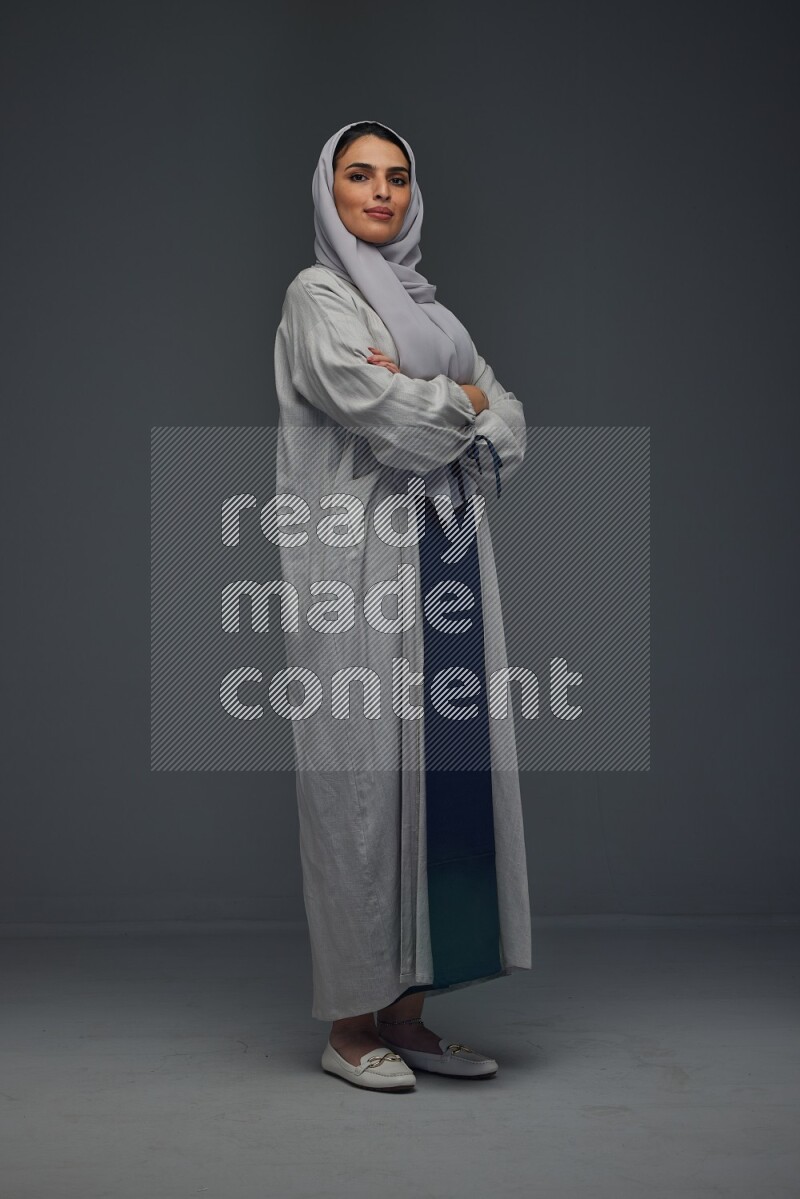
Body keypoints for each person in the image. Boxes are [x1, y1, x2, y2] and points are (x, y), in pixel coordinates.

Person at [273, 120, 532, 1091]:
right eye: (357, 176)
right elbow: (381, 413)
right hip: (358, 573)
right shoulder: (316, 298)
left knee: (443, 781)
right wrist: (454, 400)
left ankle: (410, 1014)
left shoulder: (433, 315)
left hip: (449, 570)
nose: (377, 193)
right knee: (359, 786)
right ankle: (348, 1025)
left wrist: (443, 394)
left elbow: (508, 423)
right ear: (328, 191)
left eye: (393, 179)